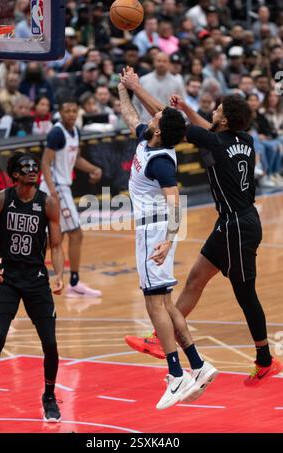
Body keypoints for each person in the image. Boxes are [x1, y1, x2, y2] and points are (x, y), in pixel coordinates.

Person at [122, 69, 283, 387]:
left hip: (237, 224)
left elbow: (167, 120)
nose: (215, 108)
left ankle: (265, 359)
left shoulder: (212, 140)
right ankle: (158, 337)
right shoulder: (245, 140)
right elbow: (205, 127)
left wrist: (136, 87)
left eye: (219, 107)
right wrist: (189, 109)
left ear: (224, 120)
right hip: (233, 222)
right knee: (196, 277)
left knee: (244, 291)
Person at [118, 68, 217, 410]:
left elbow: (177, 205)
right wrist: (124, 90)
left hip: (155, 229)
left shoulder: (161, 161)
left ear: (159, 128)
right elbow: (130, 114)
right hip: (154, 229)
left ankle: (176, 375)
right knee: (166, 301)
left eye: (157, 114)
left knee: (154, 302)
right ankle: (199, 365)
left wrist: (167, 240)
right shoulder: (148, 135)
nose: (152, 113)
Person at [0, 152, 64, 429]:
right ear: (14, 175)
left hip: (37, 279)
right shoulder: (0, 199)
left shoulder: (48, 203)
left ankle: (50, 396)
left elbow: (56, 245)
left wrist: (60, 275)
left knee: (50, 344)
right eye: (25, 167)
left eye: (34, 166)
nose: (32, 170)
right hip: (8, 279)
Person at [40, 99, 103, 298]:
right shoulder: (57, 133)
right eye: (67, 111)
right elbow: (44, 163)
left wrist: (93, 168)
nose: (71, 114)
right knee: (75, 233)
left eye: (74, 111)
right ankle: (74, 283)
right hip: (56, 187)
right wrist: (52, 192)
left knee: (54, 238)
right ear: (60, 112)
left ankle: (14, 263)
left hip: (61, 187)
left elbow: (76, 159)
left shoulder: (75, 131)